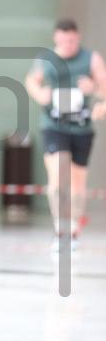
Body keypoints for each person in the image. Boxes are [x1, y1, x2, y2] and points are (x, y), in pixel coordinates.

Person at [25, 19, 106, 252]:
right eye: (64, 41)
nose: (68, 45)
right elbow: (31, 81)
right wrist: (40, 93)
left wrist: (94, 89)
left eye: (72, 41)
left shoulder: (91, 58)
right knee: (58, 174)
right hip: (54, 125)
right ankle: (60, 230)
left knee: (78, 182)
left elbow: (104, 89)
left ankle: (73, 229)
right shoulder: (46, 59)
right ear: (56, 39)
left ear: (77, 38)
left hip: (81, 127)